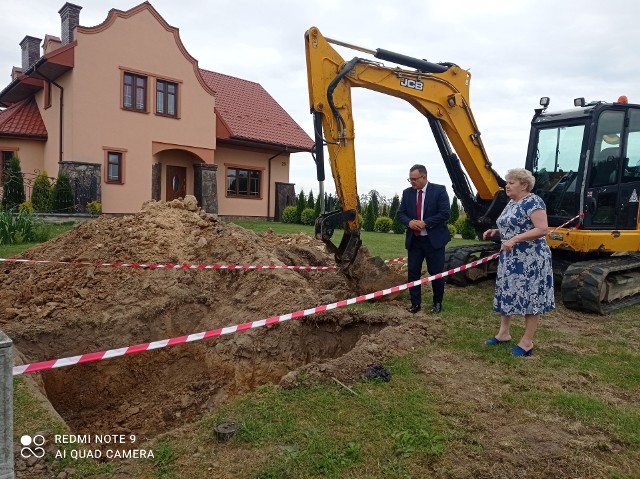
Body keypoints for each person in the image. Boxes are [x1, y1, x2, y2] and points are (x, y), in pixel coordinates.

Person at [482, 168, 554, 356]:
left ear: (524, 185)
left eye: (511, 182)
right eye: (507, 182)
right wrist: (496, 232)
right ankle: (503, 333)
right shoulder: (512, 203)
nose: (507, 185)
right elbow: (513, 226)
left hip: (530, 258)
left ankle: (527, 342)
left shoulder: (534, 201)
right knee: (507, 293)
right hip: (511, 258)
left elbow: (542, 229)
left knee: (530, 298)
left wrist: (514, 240)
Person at [396, 164, 451, 314]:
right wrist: (409, 222)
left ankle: (437, 302)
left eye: (414, 179)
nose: (412, 182)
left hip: (434, 241)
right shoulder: (407, 193)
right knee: (413, 273)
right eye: (410, 179)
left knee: (436, 273)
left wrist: (425, 223)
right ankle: (415, 303)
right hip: (415, 241)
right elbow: (400, 213)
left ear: (424, 177)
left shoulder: (439, 190)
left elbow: (445, 213)